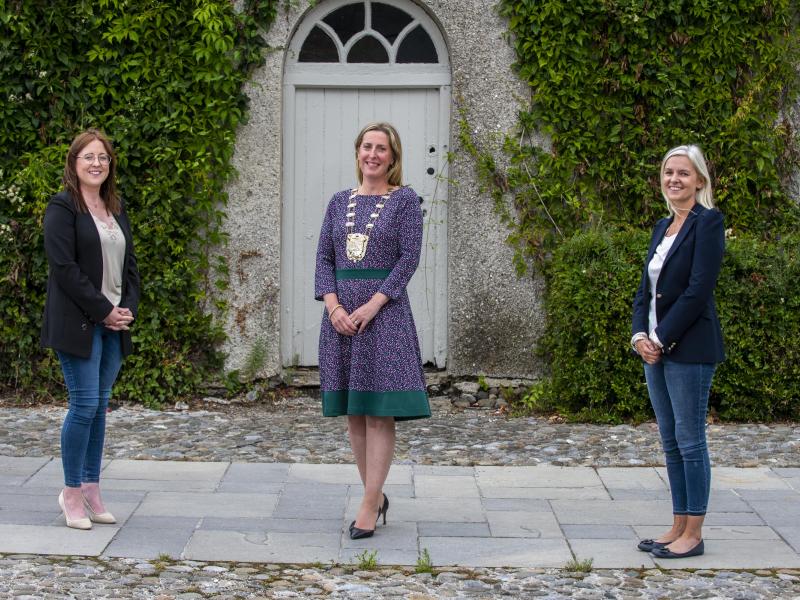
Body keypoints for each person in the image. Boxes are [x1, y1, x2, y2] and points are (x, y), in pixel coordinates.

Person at [315, 122, 431, 540]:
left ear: (393, 157)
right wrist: (334, 307)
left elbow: (407, 260)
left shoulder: (404, 202)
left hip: (385, 318)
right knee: (356, 412)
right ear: (358, 152)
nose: (373, 154)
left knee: (380, 412)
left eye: (382, 149)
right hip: (341, 320)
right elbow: (324, 259)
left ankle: (368, 501)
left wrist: (374, 303)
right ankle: (375, 494)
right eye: (367, 147)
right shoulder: (337, 202)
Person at [41, 129, 140, 529]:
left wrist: (125, 309)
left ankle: (92, 488)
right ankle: (70, 493)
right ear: (74, 163)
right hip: (80, 323)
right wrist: (103, 310)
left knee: (99, 407)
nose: (96, 163)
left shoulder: (114, 208)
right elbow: (64, 269)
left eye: (103, 157)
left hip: (114, 325)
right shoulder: (62, 208)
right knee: (83, 406)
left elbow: (130, 267)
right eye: (88, 157)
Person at [631, 144, 725, 559]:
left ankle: (695, 534)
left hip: (689, 348)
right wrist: (639, 337)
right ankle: (677, 525)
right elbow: (645, 291)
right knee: (670, 441)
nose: (674, 179)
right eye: (669, 172)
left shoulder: (708, 223)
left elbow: (698, 290)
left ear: (699, 181)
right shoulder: (662, 226)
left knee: (691, 441)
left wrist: (662, 336)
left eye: (683, 173)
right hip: (655, 348)